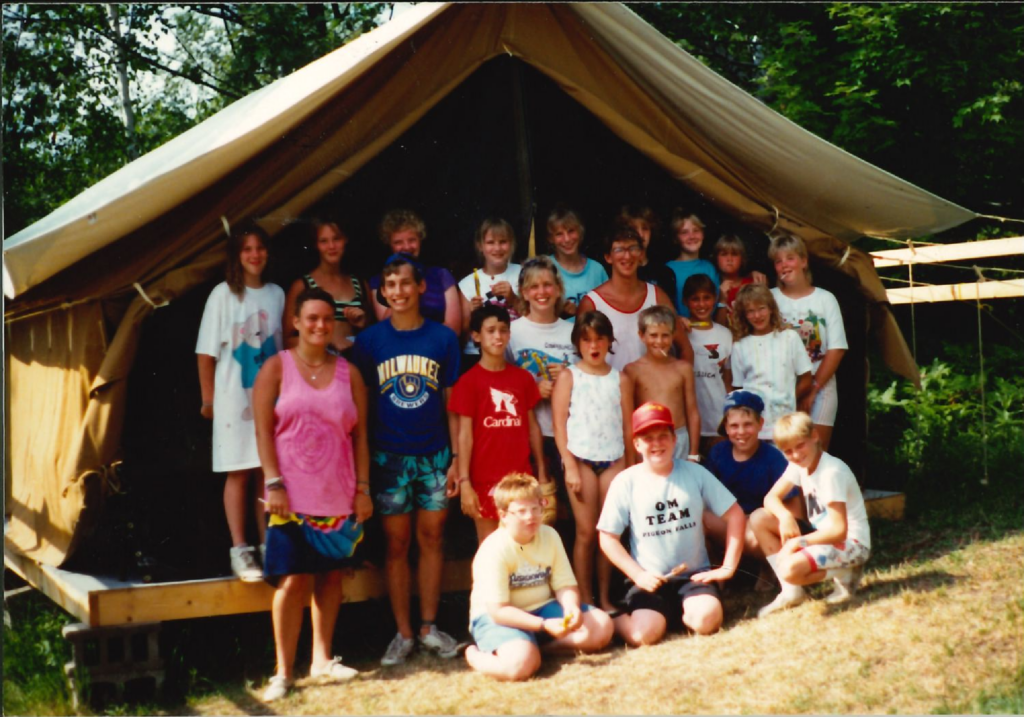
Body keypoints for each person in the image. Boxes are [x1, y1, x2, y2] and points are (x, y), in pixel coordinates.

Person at [252, 287, 373, 701]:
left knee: (331, 578)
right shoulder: (276, 368)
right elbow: (263, 431)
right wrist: (273, 482)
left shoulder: (349, 373)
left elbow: (360, 436)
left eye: (326, 319)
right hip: (289, 496)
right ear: (297, 323)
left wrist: (362, 489)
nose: (320, 325)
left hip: (338, 494)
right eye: (312, 318)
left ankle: (322, 660)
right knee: (292, 583)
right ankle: (283, 672)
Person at [350, 254, 463, 666]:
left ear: (420, 288)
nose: (397, 291)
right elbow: (359, 409)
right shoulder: (369, 342)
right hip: (389, 457)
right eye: (389, 284)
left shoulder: (443, 339)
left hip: (434, 454)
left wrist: (456, 458)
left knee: (432, 538)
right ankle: (402, 632)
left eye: (404, 283)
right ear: (383, 291)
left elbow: (452, 403)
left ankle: (429, 627)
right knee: (396, 544)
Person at [597, 403, 745, 646]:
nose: (656, 444)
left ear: (674, 439)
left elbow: (736, 515)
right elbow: (607, 537)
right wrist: (638, 575)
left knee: (708, 621)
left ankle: (684, 611)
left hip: (694, 577)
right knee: (644, 635)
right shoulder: (625, 481)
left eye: (663, 436)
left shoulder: (695, 473)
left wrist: (728, 567)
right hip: (651, 579)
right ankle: (614, 619)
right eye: (648, 438)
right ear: (636, 444)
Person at [196, 222, 285, 582]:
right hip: (233, 398)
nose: (255, 255)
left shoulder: (277, 294)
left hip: (270, 397)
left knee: (268, 472)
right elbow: (204, 353)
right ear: (237, 255)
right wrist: (208, 399)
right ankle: (240, 549)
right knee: (239, 471)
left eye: (260, 248)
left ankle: (269, 545)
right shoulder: (222, 294)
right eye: (247, 249)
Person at [464, 473, 614, 681]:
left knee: (602, 627)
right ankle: (475, 656)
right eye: (521, 511)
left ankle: (538, 648)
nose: (531, 517)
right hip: (500, 617)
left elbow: (564, 585)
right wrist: (543, 625)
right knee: (519, 668)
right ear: (503, 515)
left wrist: (571, 607)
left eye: (536, 508)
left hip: (542, 608)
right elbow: (499, 611)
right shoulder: (494, 549)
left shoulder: (550, 535)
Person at [750, 411, 871, 617]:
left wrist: (797, 543)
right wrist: (785, 517)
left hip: (853, 544)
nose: (796, 455)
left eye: (800, 446)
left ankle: (847, 573)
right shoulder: (799, 465)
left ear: (815, 436)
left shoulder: (831, 472)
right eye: (788, 451)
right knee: (759, 518)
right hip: (823, 537)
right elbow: (770, 498)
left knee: (789, 569)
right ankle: (791, 592)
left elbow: (839, 531)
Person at [552, 311, 633, 612]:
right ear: (578, 343)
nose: (594, 345)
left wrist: (630, 464)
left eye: (600, 338)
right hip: (582, 460)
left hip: (613, 459)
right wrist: (570, 465)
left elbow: (627, 426)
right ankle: (584, 598)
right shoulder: (569, 376)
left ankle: (606, 597)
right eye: (587, 340)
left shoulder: (620, 379)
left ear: (610, 341)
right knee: (586, 532)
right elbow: (559, 426)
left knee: (609, 532)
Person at [449, 304, 547, 544]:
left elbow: (533, 428)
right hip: (483, 480)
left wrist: (542, 472)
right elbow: (465, 436)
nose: (497, 336)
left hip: (520, 479)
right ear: (476, 336)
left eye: (503, 330)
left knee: (524, 545)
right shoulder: (468, 382)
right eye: (490, 330)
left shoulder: (522, 378)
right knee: (490, 547)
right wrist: (465, 482)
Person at [507, 256, 575, 524]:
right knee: (532, 514)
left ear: (558, 288)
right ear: (524, 292)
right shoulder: (513, 332)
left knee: (566, 514)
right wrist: (532, 389)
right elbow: (503, 385)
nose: (541, 292)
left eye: (548, 285)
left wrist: (569, 379)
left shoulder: (572, 331)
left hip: (569, 436)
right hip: (528, 436)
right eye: (534, 287)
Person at [770, 233, 848, 451]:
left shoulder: (825, 299)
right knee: (783, 456)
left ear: (804, 261)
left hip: (820, 385)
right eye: (778, 261)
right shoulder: (769, 298)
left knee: (816, 454)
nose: (784, 265)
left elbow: (837, 348)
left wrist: (813, 389)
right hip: (783, 388)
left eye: (790, 258)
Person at [704, 391, 790, 587]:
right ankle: (713, 577)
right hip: (729, 521)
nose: (741, 432)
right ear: (725, 427)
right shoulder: (718, 453)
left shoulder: (773, 459)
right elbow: (707, 497)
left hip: (757, 527)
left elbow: (794, 510)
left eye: (748, 424)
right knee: (698, 518)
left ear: (761, 424)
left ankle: (769, 569)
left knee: (754, 531)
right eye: (734, 426)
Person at [578, 226, 693, 369]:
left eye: (633, 248)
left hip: (652, 389)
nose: (627, 256)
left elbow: (685, 349)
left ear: (641, 254)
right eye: (619, 249)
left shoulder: (657, 296)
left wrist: (678, 383)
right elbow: (580, 358)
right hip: (611, 389)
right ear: (608, 257)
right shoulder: (592, 303)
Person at [729, 284, 813, 442]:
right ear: (744, 315)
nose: (757, 315)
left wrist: (788, 398)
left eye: (761, 308)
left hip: (785, 426)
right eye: (750, 311)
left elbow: (806, 379)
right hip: (753, 431)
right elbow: (739, 388)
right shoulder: (740, 345)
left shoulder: (789, 338)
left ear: (771, 309)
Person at [623, 305, 701, 463]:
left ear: (673, 335)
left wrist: (693, 453)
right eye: (653, 335)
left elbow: (692, 413)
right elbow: (628, 417)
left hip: (679, 438)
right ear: (642, 336)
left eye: (665, 335)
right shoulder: (632, 370)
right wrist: (631, 458)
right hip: (646, 439)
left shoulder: (683, 368)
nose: (659, 341)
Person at [283, 216, 370, 356]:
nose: (331, 246)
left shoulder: (360, 284)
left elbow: (375, 332)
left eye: (336, 239)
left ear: (345, 240)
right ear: (316, 245)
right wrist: (325, 344)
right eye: (324, 241)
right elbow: (288, 339)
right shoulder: (303, 286)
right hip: (321, 366)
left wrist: (363, 323)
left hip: (357, 364)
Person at [369, 209, 461, 335]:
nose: (406, 247)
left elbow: (454, 329)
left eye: (412, 240)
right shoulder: (378, 281)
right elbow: (386, 325)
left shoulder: (441, 275)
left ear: (420, 240)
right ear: (389, 245)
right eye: (398, 242)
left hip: (437, 348)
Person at [457, 218, 522, 372]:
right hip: (477, 354)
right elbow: (463, 332)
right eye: (490, 242)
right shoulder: (468, 283)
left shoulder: (522, 273)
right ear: (480, 246)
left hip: (517, 348)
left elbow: (534, 317)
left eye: (503, 242)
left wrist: (513, 298)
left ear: (511, 243)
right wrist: (473, 313)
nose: (497, 248)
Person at [682, 274, 733, 454]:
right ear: (685, 301)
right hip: (687, 423)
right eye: (695, 299)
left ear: (715, 299)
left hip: (717, 421)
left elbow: (728, 381)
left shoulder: (725, 335)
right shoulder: (679, 333)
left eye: (707, 298)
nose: (702, 304)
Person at [545, 206, 607, 322]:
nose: (567, 239)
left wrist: (579, 311)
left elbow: (609, 311)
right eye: (559, 234)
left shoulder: (597, 270)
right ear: (550, 238)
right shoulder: (544, 268)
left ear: (580, 232)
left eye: (571, 231)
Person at [664, 210, 720, 318]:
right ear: (676, 238)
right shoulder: (668, 269)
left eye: (696, 230)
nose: (692, 236)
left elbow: (715, 304)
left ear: (703, 234)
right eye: (684, 232)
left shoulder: (709, 268)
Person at [614, 204, 676, 298]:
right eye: (634, 229)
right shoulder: (617, 271)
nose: (641, 234)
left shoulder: (664, 274)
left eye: (645, 228)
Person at [713, 234, 765, 325]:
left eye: (734, 254)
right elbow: (718, 328)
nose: (729, 259)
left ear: (742, 259)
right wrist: (722, 301)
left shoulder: (751, 284)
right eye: (724, 254)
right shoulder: (713, 286)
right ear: (716, 258)